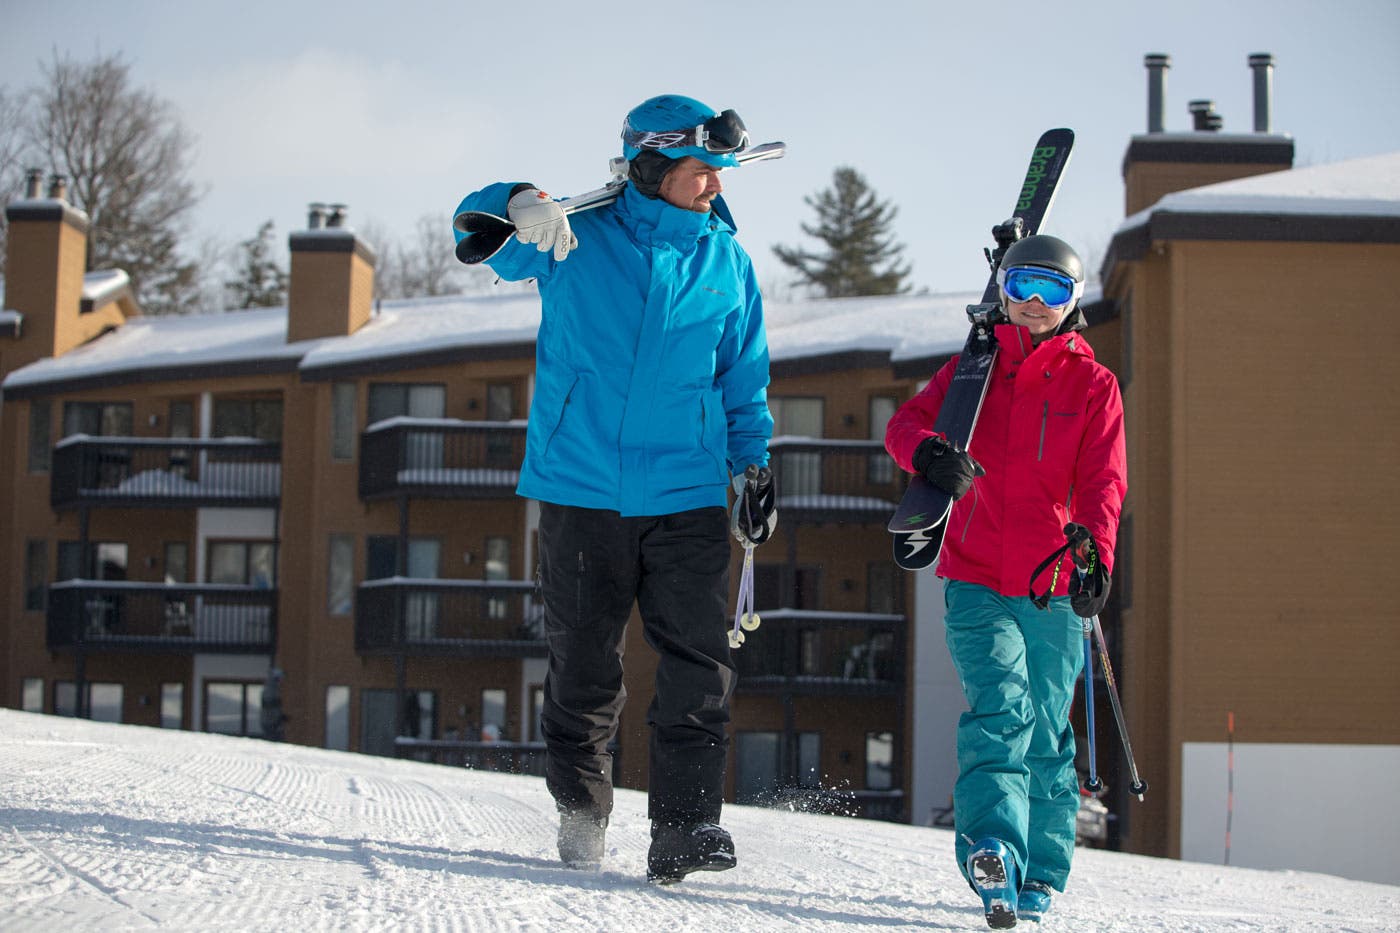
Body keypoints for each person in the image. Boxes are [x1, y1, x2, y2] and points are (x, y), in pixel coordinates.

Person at [451, 95, 775, 885]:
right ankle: (582, 813)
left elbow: (743, 377)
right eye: (704, 172)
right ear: (655, 167)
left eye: (722, 174)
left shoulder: (727, 262)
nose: (716, 188)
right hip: (582, 487)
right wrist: (516, 202)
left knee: (700, 662)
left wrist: (753, 464)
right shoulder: (571, 238)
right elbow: (476, 232)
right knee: (586, 665)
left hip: (688, 491)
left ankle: (686, 827)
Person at [884, 234, 1126, 928]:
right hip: (975, 575)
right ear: (1003, 290)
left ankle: (1042, 872)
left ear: (1074, 300)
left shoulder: (1095, 385)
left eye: (1052, 291)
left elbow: (1105, 484)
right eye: (1021, 286)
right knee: (999, 711)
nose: (1034, 304)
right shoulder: (972, 371)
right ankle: (993, 847)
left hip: (1051, 581)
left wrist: (1096, 557)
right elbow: (904, 426)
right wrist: (929, 455)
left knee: (1047, 730)